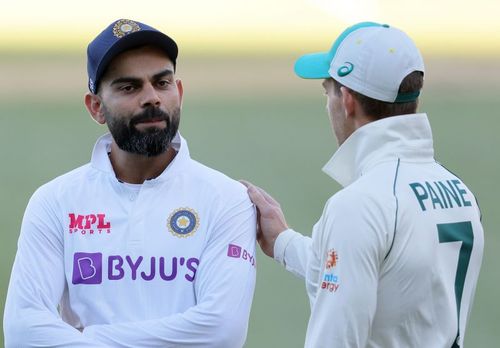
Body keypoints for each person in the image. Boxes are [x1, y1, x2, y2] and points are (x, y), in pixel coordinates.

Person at [4, 19, 256, 347]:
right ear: (96, 107)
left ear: (178, 92)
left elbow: (221, 331)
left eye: (162, 83)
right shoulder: (55, 201)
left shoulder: (227, 199)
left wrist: (85, 338)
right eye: (129, 87)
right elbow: (23, 331)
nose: (151, 98)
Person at [243, 22, 484, 347]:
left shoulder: (360, 204)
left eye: (326, 90)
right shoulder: (459, 191)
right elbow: (379, 270)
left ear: (347, 101)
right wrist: (283, 242)